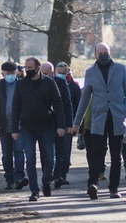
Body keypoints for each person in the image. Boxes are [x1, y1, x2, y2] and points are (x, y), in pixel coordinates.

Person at [72, 43, 126, 200]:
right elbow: (85, 98)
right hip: (98, 119)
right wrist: (77, 121)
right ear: (95, 55)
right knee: (96, 154)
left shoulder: (120, 69)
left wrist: (125, 109)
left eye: (105, 52)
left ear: (110, 52)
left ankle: (114, 188)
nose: (103, 55)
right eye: (100, 53)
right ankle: (93, 184)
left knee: (116, 156)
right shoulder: (90, 72)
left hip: (117, 118)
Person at [11, 57, 66, 201]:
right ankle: (34, 190)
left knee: (48, 158)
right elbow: (15, 106)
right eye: (26, 67)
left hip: (46, 126)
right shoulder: (21, 85)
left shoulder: (49, 83)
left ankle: (46, 180)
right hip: (27, 127)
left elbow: (58, 105)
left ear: (38, 68)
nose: (27, 70)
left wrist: (61, 126)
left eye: (30, 67)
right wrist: (14, 129)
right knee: (30, 159)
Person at [0, 61, 28, 191]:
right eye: (7, 73)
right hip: (3, 126)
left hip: (20, 126)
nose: (10, 75)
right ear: (2, 73)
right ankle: (9, 179)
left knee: (19, 151)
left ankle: (19, 177)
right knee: (7, 154)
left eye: (12, 73)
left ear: (16, 72)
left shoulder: (22, 85)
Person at [40, 61, 74, 189]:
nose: (44, 76)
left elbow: (67, 104)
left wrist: (69, 124)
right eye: (42, 73)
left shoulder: (60, 83)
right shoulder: (36, 83)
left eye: (46, 74)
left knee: (60, 151)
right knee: (46, 152)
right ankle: (47, 176)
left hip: (59, 122)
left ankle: (59, 176)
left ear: (52, 73)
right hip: (44, 123)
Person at [56, 61, 80, 185]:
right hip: (54, 124)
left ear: (67, 73)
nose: (61, 75)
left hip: (68, 124)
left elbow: (77, 106)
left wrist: (74, 124)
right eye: (58, 73)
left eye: (63, 73)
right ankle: (55, 174)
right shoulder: (52, 84)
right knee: (55, 151)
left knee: (65, 151)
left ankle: (62, 175)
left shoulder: (74, 87)